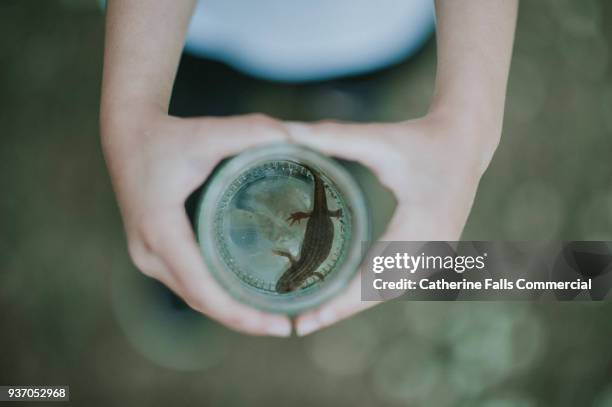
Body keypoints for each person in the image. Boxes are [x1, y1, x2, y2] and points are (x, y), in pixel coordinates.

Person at [100, 0, 518, 337]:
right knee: (199, 103)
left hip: (373, 34)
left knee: (355, 87)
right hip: (200, 31)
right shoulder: (301, 261)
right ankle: (329, 136)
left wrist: (471, 122)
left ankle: (338, 116)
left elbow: (290, 252)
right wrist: (133, 110)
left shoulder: (296, 260)